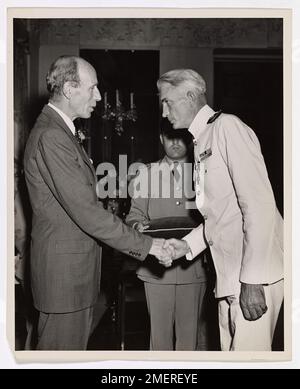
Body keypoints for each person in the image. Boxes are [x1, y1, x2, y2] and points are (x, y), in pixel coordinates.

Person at [23, 55, 173, 350]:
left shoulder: (60, 131)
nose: (99, 96)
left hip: (71, 276)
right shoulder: (52, 136)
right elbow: (87, 213)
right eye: (92, 88)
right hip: (64, 279)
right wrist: (149, 245)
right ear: (69, 88)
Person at [157, 69, 284, 351]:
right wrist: (185, 246)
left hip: (253, 276)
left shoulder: (228, 128)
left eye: (168, 102)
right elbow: (223, 214)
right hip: (229, 278)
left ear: (191, 95)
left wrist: (253, 280)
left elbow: (259, 205)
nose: (165, 113)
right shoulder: (202, 139)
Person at [125, 122, 209, 350]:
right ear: (161, 138)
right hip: (156, 267)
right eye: (169, 137)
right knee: (159, 338)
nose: (175, 142)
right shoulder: (146, 174)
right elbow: (134, 215)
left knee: (189, 339)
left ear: (190, 139)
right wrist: (136, 225)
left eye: (180, 137)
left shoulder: (202, 172)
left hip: (192, 268)